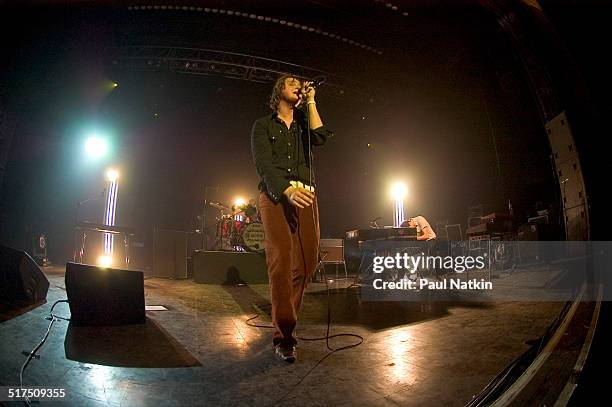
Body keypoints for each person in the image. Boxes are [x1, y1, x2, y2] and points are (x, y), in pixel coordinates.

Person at [251, 74, 332, 362]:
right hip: (275, 196)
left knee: (307, 263)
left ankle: (286, 320)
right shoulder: (262, 125)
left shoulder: (303, 124)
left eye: (299, 83)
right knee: (281, 259)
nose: (297, 85)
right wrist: (285, 190)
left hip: (306, 195)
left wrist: (311, 101)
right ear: (278, 92)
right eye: (290, 82)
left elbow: (322, 136)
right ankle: (284, 335)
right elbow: (263, 164)